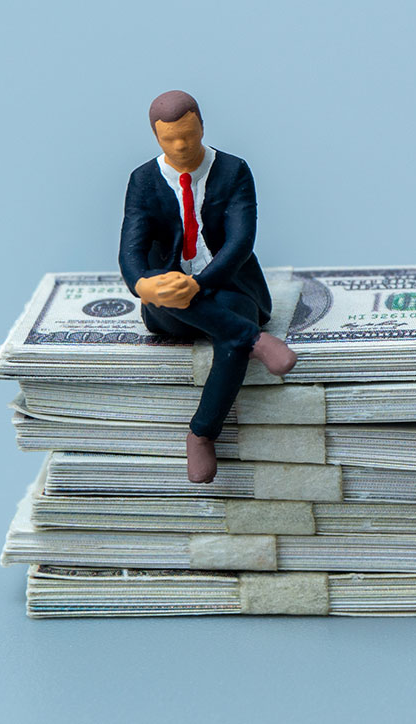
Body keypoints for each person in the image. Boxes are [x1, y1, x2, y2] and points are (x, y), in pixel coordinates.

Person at [119, 90, 298, 483]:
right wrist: (145, 288)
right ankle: (253, 340)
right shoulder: (144, 180)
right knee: (190, 307)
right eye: (170, 139)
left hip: (227, 284)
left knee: (229, 331)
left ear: (201, 124)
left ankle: (201, 434)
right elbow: (130, 251)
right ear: (156, 137)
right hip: (170, 305)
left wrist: (198, 284)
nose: (181, 145)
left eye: (188, 133)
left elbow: (240, 243)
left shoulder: (233, 171)